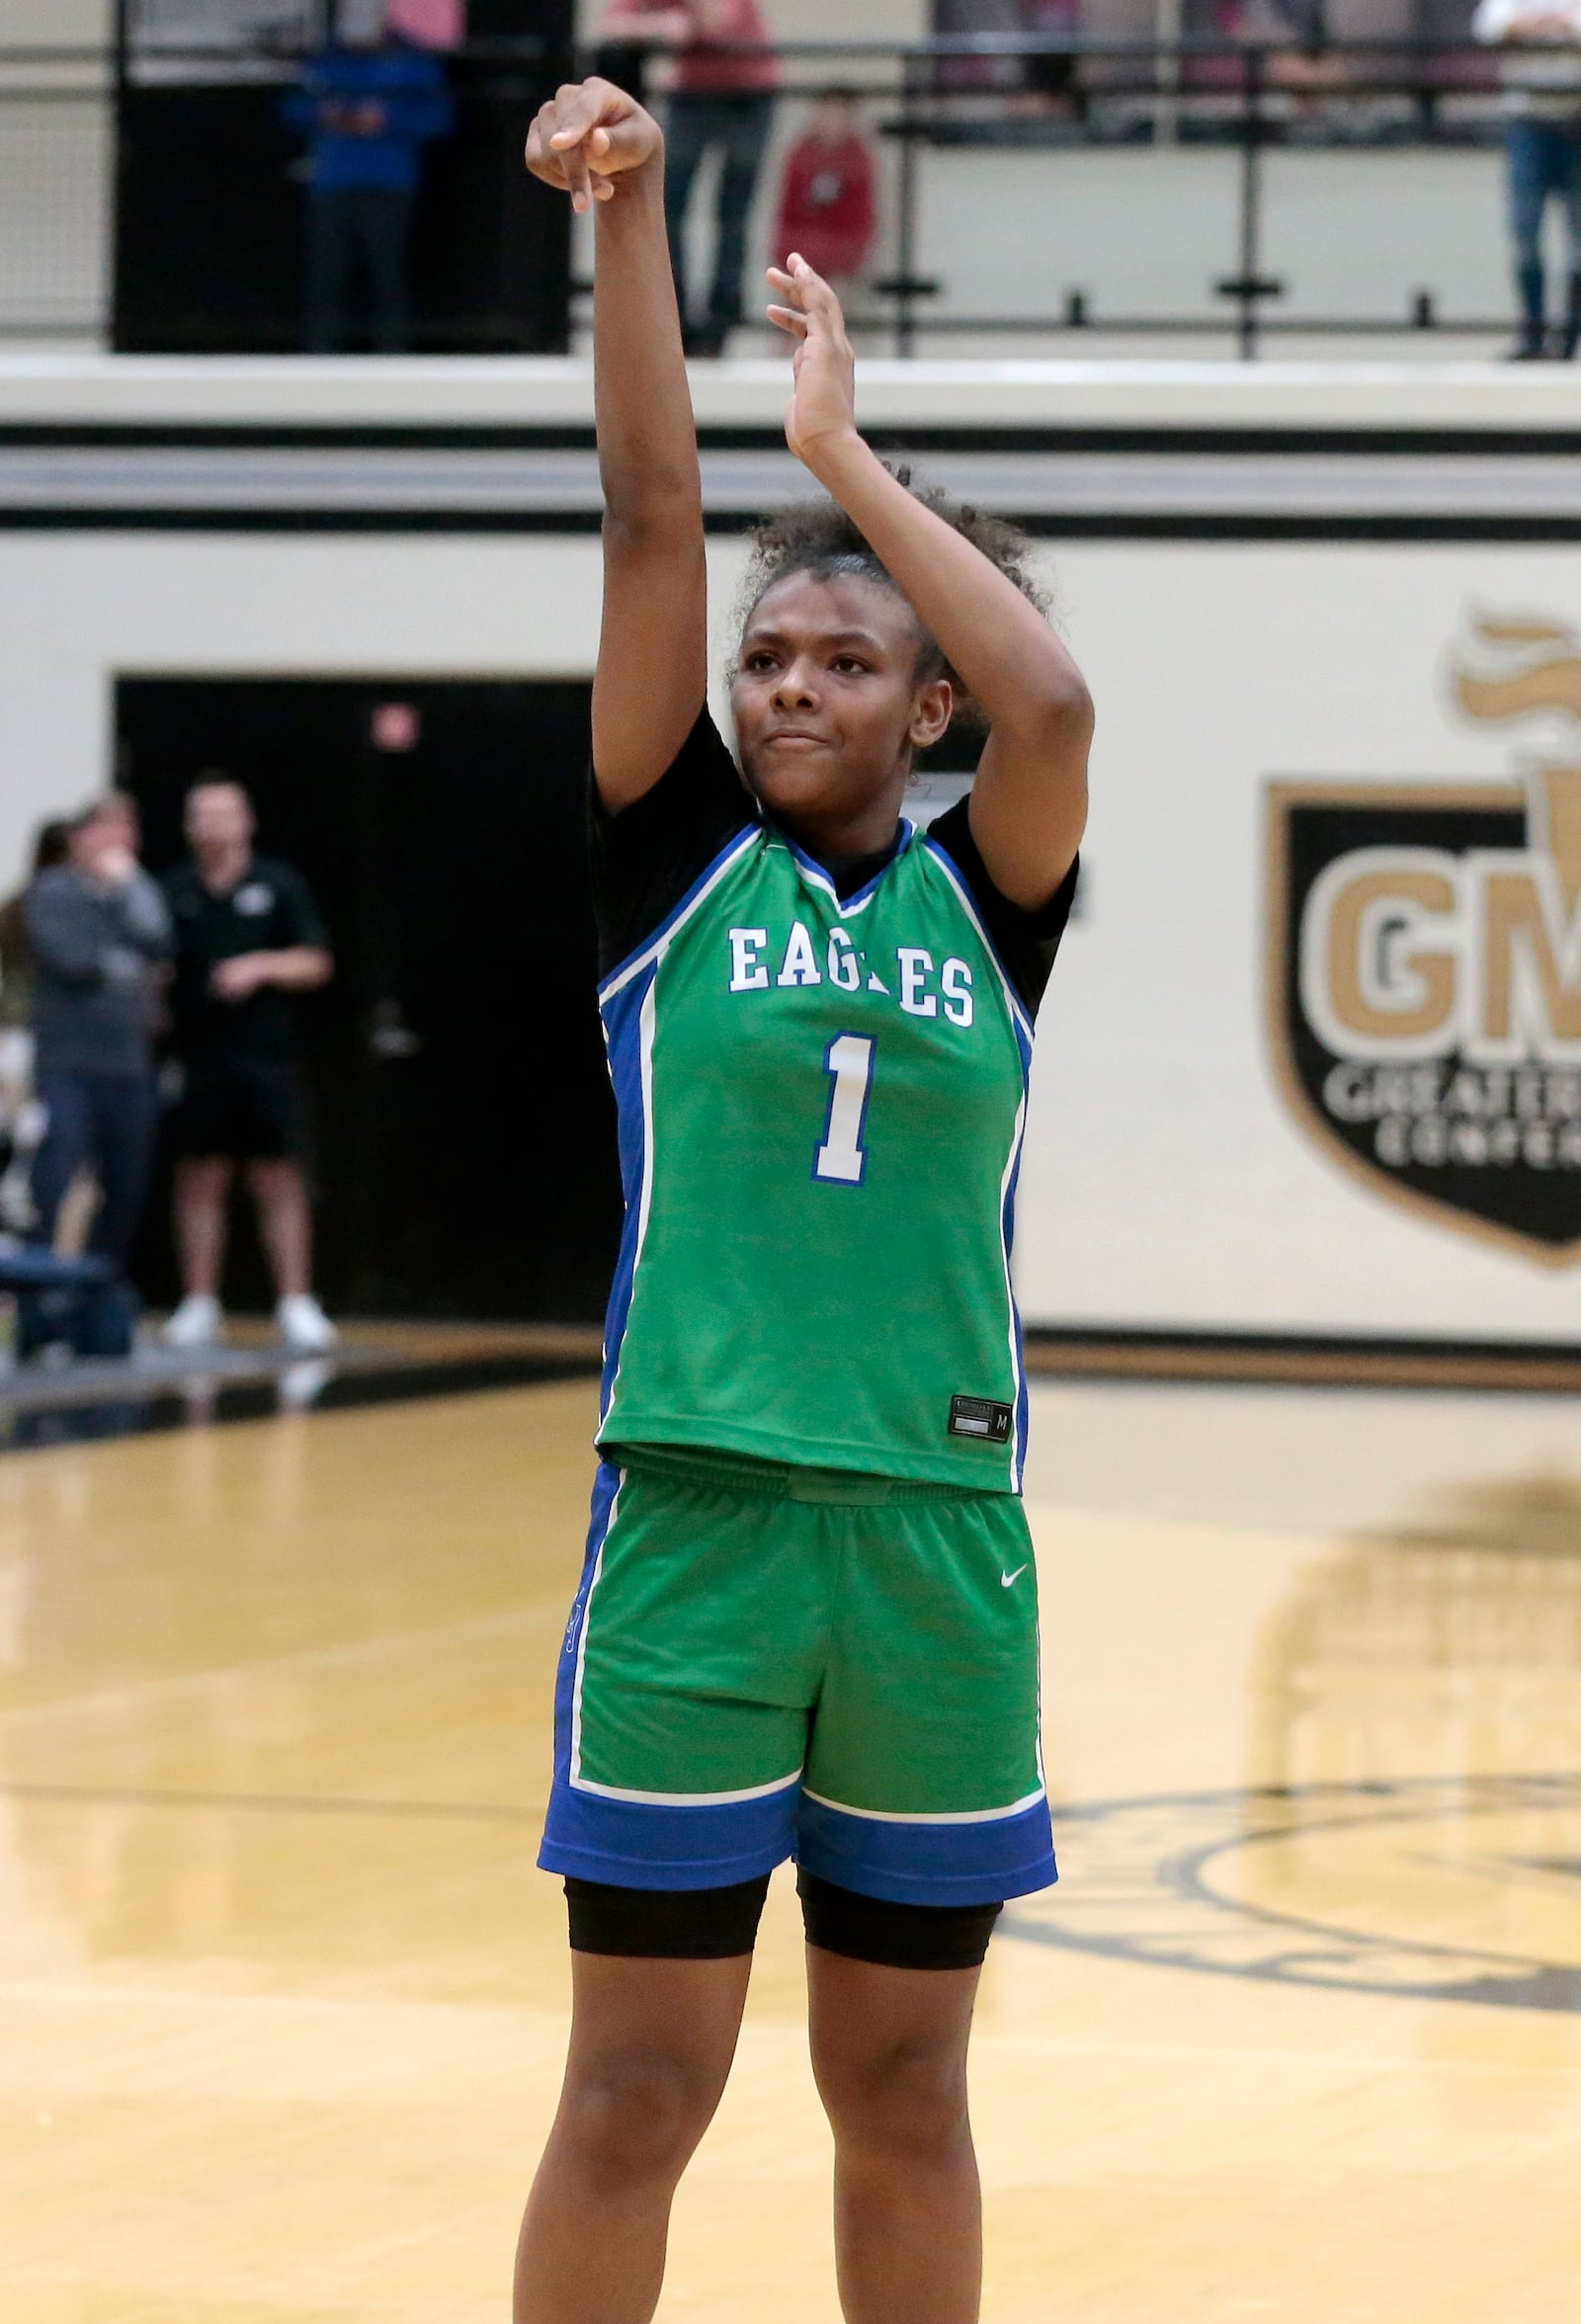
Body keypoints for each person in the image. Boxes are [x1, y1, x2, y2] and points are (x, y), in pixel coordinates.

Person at [518, 76, 1093, 2324]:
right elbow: (654, 519)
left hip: (937, 1543)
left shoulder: (996, 902)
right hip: (701, 1526)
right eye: (771, 657)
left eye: (840, 660)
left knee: (908, 2092)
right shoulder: (673, 872)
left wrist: (847, 463)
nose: (783, 683)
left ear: (919, 709)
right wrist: (633, 206)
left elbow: (1051, 692)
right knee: (637, 2095)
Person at [158, 779, 337, 1355]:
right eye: (200, 815)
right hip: (199, 1055)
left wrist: (259, 966)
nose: (211, 826)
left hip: (266, 1058)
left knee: (277, 1177)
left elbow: (315, 962)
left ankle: (294, 1301)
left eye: (222, 814)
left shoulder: (277, 884)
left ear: (245, 821)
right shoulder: (171, 889)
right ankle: (199, 1302)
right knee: (200, 1176)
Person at [20, 795, 172, 1355]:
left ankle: (101, 1304)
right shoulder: (53, 891)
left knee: (126, 1185)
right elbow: (72, 959)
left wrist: (128, 892)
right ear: (81, 837)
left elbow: (158, 940)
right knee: (54, 1177)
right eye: (103, 831)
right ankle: (38, 1310)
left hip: (127, 1064)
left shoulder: (139, 891)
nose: (114, 843)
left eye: (124, 832)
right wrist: (125, 960)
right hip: (66, 1064)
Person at [595, 0, 781, 354]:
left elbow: (716, 22)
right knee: (669, 206)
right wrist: (663, 22)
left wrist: (671, 22)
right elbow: (611, 25)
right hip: (691, 94)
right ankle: (675, 314)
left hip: (749, 95)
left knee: (732, 213)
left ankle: (720, 320)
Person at [282, 0, 454, 355]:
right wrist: (324, 113)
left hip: (390, 184)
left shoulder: (413, 61)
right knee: (326, 279)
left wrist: (387, 120)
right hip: (331, 184)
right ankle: (319, 359)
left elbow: (439, 119)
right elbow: (290, 108)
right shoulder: (328, 59)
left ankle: (393, 359)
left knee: (388, 275)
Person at [1474, 1, 1581, 358]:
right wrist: (1550, 26)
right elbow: (1490, 27)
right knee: (1525, 236)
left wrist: (1534, 27)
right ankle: (1533, 336)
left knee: (1578, 245)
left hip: (1575, 121)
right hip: (1528, 124)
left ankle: (1570, 340)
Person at [772, 89, 877, 300]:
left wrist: (848, 258)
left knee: (832, 306)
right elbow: (787, 212)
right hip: (799, 253)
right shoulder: (800, 155)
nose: (833, 122)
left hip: (842, 257)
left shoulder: (859, 160)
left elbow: (860, 217)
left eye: (840, 116)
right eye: (828, 113)